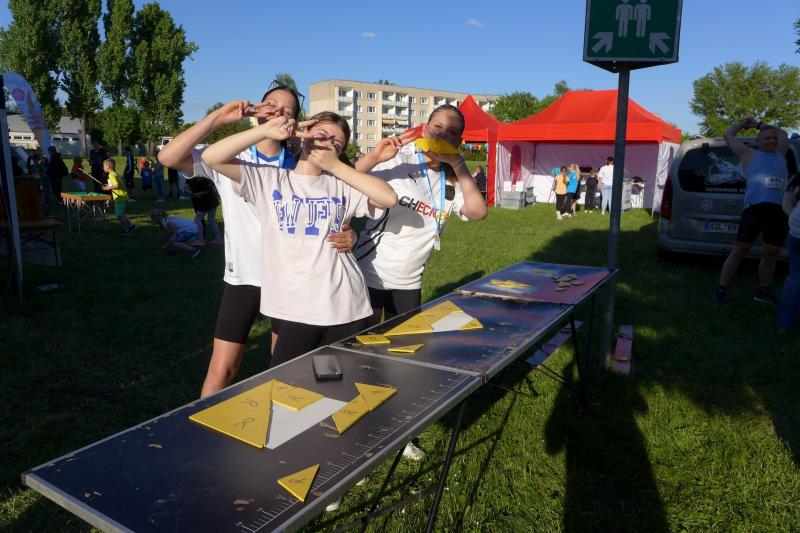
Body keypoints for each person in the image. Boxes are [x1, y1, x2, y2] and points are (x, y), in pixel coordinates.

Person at [158, 84, 356, 398]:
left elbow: (336, 206)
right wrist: (218, 118)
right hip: (245, 276)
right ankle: (203, 428)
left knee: (282, 372)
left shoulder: (301, 161)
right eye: (271, 104)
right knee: (222, 370)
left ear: (295, 122)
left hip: (292, 282)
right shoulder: (231, 155)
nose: (278, 112)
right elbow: (168, 157)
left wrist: (350, 233)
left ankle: (275, 426)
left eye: (287, 110)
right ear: (257, 111)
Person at [201, 110, 397, 368]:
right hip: (295, 307)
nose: (327, 143)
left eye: (336, 143)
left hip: (345, 304)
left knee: (343, 383)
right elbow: (211, 157)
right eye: (322, 134)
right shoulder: (270, 179)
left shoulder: (342, 184)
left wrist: (335, 166)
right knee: (286, 383)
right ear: (305, 134)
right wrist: (264, 131)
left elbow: (388, 198)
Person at [353, 104, 487, 462]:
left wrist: (459, 165)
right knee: (363, 361)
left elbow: (478, 212)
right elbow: (345, 179)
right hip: (370, 274)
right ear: (424, 127)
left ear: (460, 139)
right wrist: (375, 156)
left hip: (409, 282)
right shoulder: (399, 160)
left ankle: (399, 434)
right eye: (437, 126)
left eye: (452, 131)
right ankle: (359, 439)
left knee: (403, 363)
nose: (442, 134)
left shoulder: (451, 179)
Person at [714, 118, 789, 305]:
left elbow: (783, 134)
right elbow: (728, 135)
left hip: (778, 211)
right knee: (740, 250)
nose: (772, 141)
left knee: (771, 253)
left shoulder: (780, 153)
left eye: (773, 138)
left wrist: (759, 124)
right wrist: (743, 124)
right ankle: (721, 290)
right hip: (755, 209)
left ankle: (763, 291)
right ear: (758, 141)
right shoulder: (748, 154)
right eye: (767, 138)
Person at [778, 172, 800, 331]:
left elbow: (786, 206)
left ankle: (784, 325)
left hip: (796, 231)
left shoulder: (797, 178)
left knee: (794, 279)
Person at [101, 159, 136, 234]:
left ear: (108, 167)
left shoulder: (111, 175)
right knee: (121, 213)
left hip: (119, 197)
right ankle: (131, 225)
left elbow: (116, 185)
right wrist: (109, 185)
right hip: (122, 195)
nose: (103, 167)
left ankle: (127, 229)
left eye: (104, 166)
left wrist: (108, 188)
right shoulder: (115, 173)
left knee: (119, 214)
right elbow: (117, 184)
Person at [185, 175, 222, 245]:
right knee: (211, 220)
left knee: (197, 221)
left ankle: (200, 240)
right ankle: (218, 239)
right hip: (211, 201)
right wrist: (191, 193)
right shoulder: (190, 176)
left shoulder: (203, 177)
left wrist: (196, 194)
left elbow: (209, 190)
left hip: (206, 201)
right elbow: (186, 187)